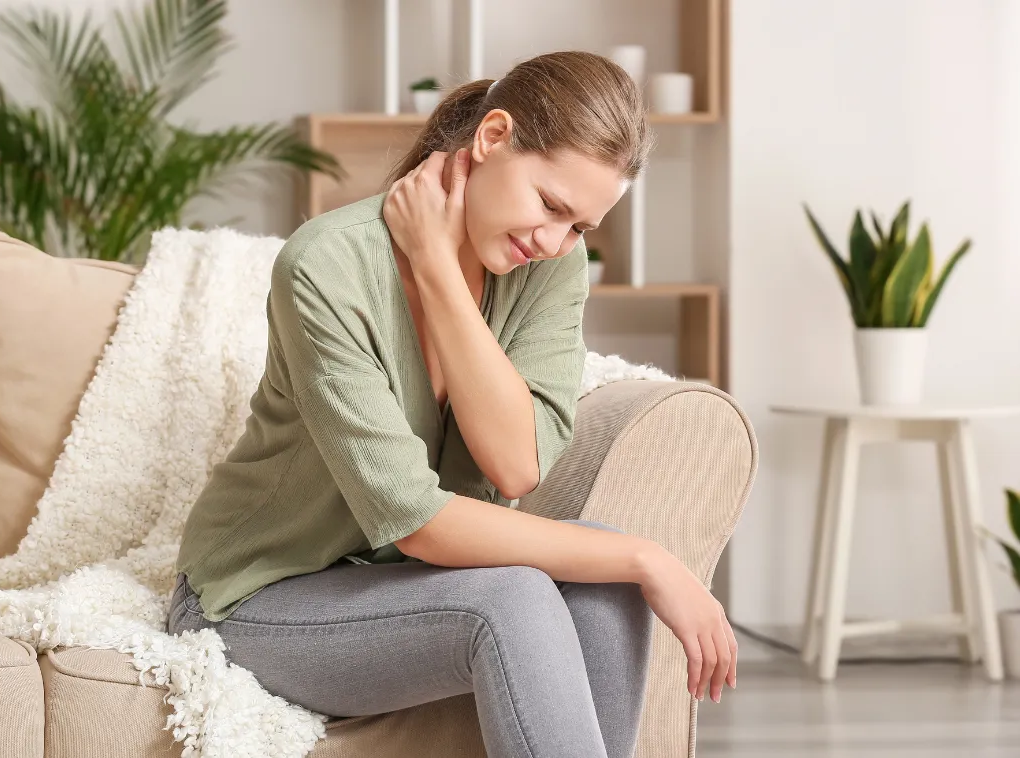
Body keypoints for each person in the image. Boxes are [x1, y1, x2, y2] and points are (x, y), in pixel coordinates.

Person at [169, 50, 736, 758]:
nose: (555, 241)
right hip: (259, 597)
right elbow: (418, 523)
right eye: (550, 205)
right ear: (493, 137)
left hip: (405, 587)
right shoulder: (326, 266)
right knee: (531, 594)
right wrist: (649, 556)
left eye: (580, 227)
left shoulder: (551, 266)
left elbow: (515, 465)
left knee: (604, 580)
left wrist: (440, 270)